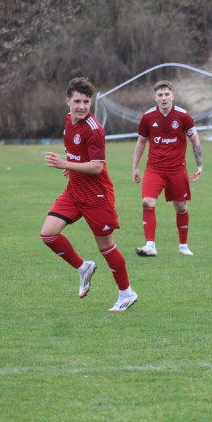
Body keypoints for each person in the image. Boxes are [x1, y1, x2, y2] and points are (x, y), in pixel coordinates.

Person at [40, 77, 137, 312]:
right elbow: (76, 153)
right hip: (74, 192)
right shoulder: (68, 121)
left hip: (97, 196)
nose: (82, 106)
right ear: (68, 102)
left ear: (91, 102)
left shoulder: (94, 130)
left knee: (107, 248)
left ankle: (126, 293)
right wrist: (70, 165)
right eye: (77, 101)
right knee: (48, 235)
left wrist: (66, 164)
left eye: (86, 101)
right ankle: (83, 268)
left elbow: (96, 167)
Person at [132, 80, 203, 257]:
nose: (163, 98)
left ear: (172, 96)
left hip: (177, 170)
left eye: (166, 94)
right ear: (155, 97)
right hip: (154, 169)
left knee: (180, 207)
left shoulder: (184, 116)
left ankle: (183, 245)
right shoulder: (148, 117)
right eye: (160, 95)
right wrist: (135, 167)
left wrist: (199, 164)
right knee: (147, 203)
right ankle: (150, 245)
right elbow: (141, 141)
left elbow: (195, 140)